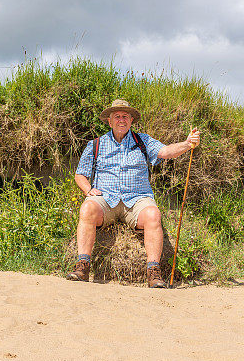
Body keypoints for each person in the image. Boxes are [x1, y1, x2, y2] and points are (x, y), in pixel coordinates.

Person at [66, 99, 200, 288]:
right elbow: (80, 174)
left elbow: (166, 151)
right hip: (106, 199)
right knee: (87, 208)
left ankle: (154, 272)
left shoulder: (143, 141)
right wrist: (88, 190)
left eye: (125, 117)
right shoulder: (95, 144)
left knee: (153, 214)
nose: (122, 120)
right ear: (109, 121)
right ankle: (82, 265)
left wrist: (187, 144)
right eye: (117, 116)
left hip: (138, 199)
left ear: (131, 121)